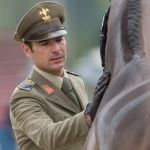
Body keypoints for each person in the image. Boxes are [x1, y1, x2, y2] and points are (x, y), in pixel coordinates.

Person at [9, 1, 111, 150]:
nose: (56, 49)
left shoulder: (76, 81)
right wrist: (89, 115)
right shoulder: (24, 97)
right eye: (45, 43)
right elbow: (48, 136)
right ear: (26, 49)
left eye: (59, 39)